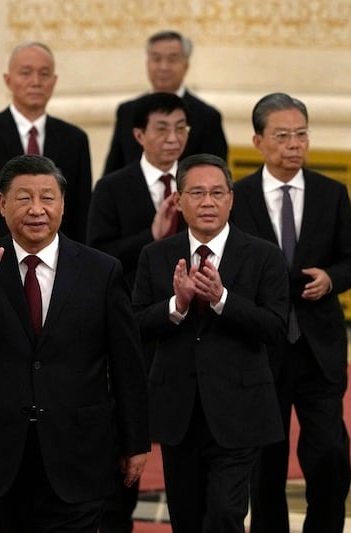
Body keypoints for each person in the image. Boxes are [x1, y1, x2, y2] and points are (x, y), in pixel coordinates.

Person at [0, 155, 150, 533]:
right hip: (5, 449)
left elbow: (127, 364)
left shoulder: (101, 271)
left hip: (79, 446)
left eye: (47, 198)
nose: (37, 209)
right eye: (23, 198)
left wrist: (135, 442)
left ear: (63, 204)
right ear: (2, 204)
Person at [230, 92, 351, 533]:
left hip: (318, 350)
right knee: (266, 462)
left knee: (328, 454)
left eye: (302, 134)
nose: (294, 144)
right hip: (262, 351)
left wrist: (330, 277)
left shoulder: (331, 193)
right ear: (258, 140)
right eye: (283, 135)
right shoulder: (239, 197)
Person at [131, 153, 288, 532]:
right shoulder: (156, 256)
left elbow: (275, 327)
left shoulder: (264, 255)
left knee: (224, 514)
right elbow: (134, 325)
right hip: (178, 410)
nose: (208, 202)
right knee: (187, 519)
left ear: (231, 199)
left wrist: (223, 300)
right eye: (197, 193)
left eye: (218, 193)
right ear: (178, 201)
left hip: (240, 411)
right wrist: (176, 305)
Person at [86, 92, 188, 532]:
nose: (172, 138)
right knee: (126, 442)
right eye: (162, 129)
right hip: (130, 331)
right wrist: (150, 235)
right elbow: (97, 256)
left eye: (181, 128)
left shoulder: (202, 184)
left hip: (189, 332)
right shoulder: (112, 187)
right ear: (139, 134)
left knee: (185, 444)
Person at [0, 41, 92, 258]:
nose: (35, 82)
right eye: (26, 73)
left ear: (54, 81)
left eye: (44, 74)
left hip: (57, 269)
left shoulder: (74, 139)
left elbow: (81, 214)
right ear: (8, 80)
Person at [102, 30, 227, 174]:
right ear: (147, 63)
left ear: (186, 65)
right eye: (156, 59)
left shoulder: (207, 116)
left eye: (172, 59)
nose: (163, 67)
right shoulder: (127, 111)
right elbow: (112, 171)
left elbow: (217, 176)